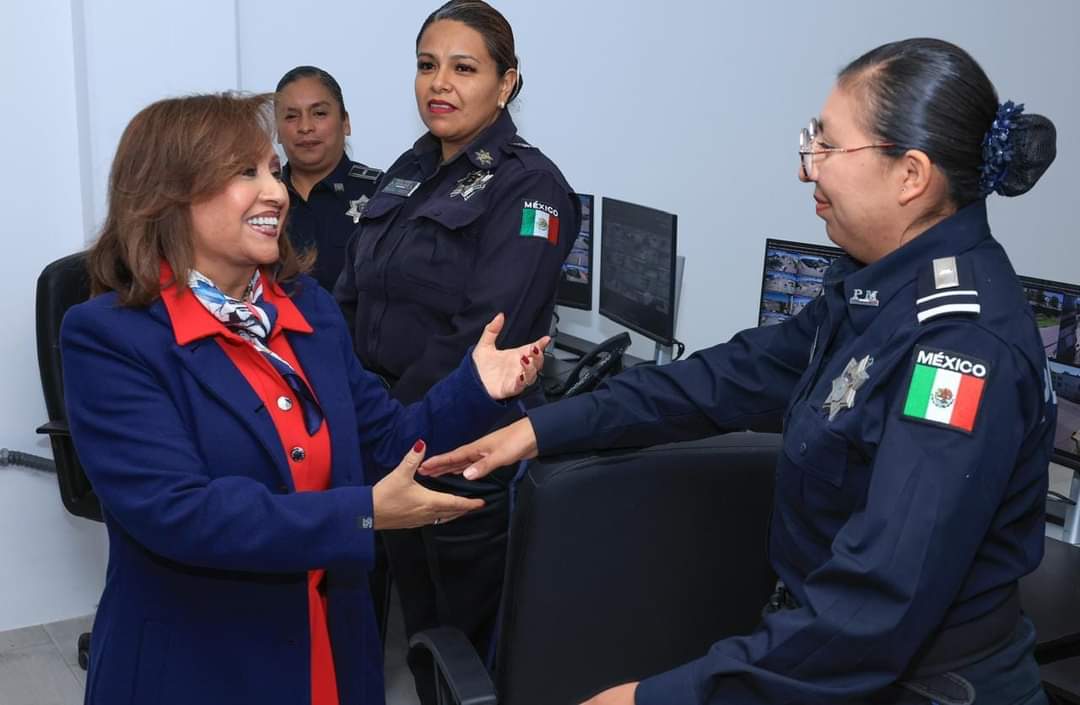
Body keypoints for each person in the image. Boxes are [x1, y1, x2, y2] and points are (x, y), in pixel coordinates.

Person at [423, 38, 1058, 705]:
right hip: (824, 655)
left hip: (911, 682)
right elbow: (724, 380)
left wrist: (652, 699)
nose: (808, 168)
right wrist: (541, 429)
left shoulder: (959, 347)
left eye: (828, 145)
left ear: (910, 175)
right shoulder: (878, 291)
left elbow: (875, 605)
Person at [61, 92, 547, 705]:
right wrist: (363, 513)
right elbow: (180, 513)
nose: (276, 192)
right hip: (199, 662)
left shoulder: (307, 308)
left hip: (330, 646)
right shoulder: (109, 336)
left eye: (272, 170)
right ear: (169, 194)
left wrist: (475, 387)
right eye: (246, 173)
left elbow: (389, 443)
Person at [334, 1, 579, 700]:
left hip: (464, 450)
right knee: (420, 632)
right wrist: (357, 406)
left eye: (464, 68)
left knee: (468, 648)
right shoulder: (410, 168)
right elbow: (354, 293)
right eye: (426, 65)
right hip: (392, 437)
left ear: (506, 84)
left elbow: (484, 334)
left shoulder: (531, 186)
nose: (439, 82)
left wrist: (390, 423)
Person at [275, 66, 382, 291]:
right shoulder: (263, 199)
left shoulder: (381, 194)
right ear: (277, 131)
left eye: (319, 113)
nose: (305, 127)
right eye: (291, 116)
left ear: (345, 122)